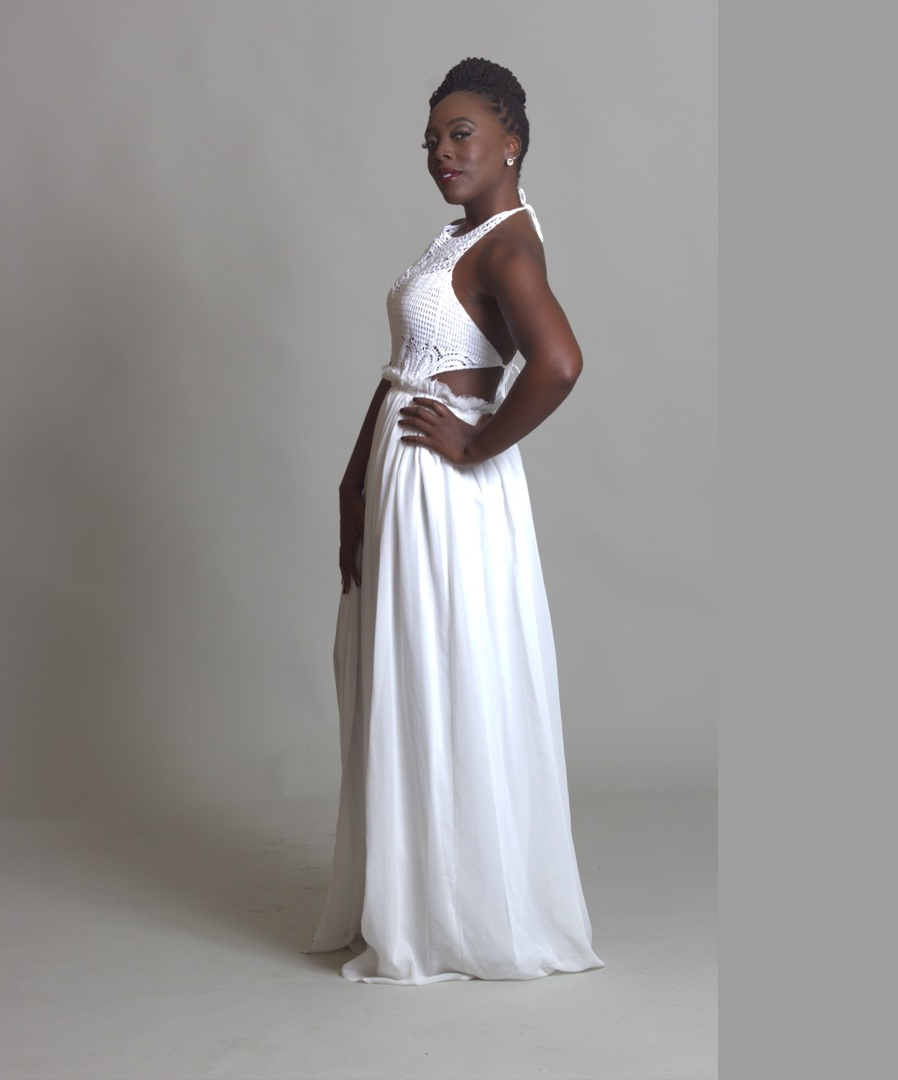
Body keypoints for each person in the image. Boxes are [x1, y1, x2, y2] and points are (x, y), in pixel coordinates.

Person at [304, 58, 604, 984]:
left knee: (447, 671)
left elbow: (558, 363)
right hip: (402, 480)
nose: (441, 151)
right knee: (408, 674)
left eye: (460, 133)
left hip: (447, 491)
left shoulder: (508, 246)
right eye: (431, 139)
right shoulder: (456, 239)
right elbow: (409, 363)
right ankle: (412, 893)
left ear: (512, 139)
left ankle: (459, 912)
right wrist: (354, 478)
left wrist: (474, 445)